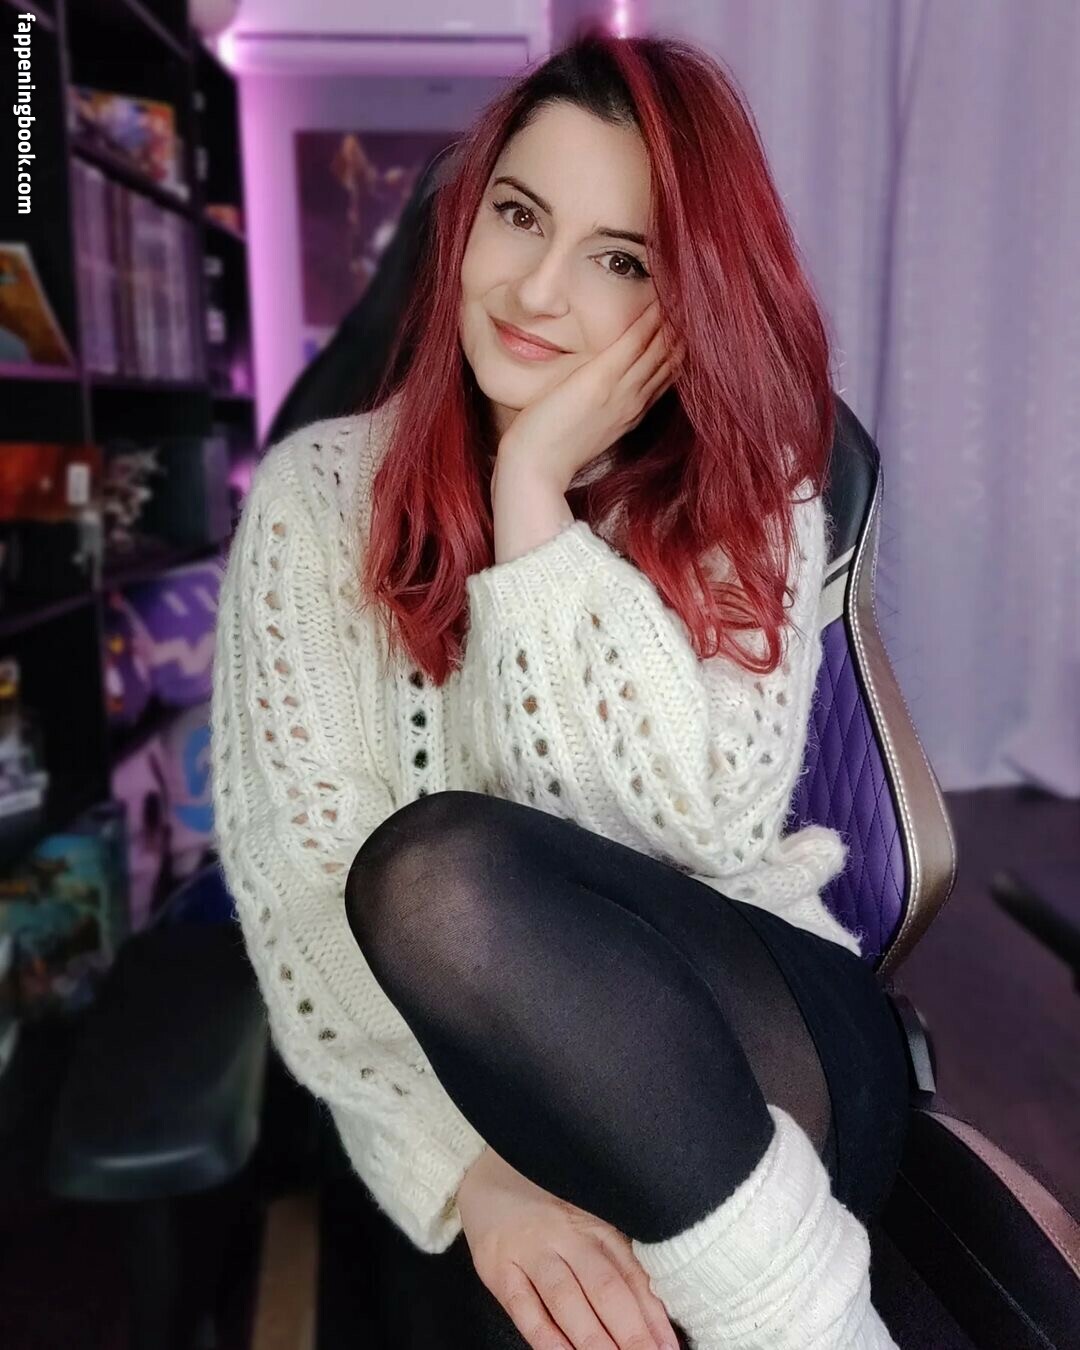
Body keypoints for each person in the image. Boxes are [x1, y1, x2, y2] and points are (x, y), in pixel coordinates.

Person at [210, 27, 910, 1350]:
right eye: (520, 216)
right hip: (470, 1086)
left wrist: (532, 504)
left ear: (687, 298)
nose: (537, 289)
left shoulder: (748, 496)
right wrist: (467, 1172)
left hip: (761, 1033)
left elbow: (692, 836)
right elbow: (305, 891)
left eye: (620, 259)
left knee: (436, 865)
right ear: (465, 219)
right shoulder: (313, 501)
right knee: (417, 896)